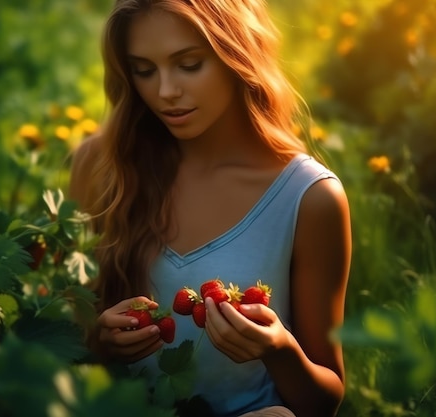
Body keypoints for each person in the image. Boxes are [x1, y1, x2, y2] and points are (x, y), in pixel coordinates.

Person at [68, 1, 352, 416]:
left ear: (236, 53)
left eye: (188, 64)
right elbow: (62, 336)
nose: (165, 91)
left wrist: (280, 350)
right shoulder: (101, 166)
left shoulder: (308, 197)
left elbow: (324, 399)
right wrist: (99, 342)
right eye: (144, 71)